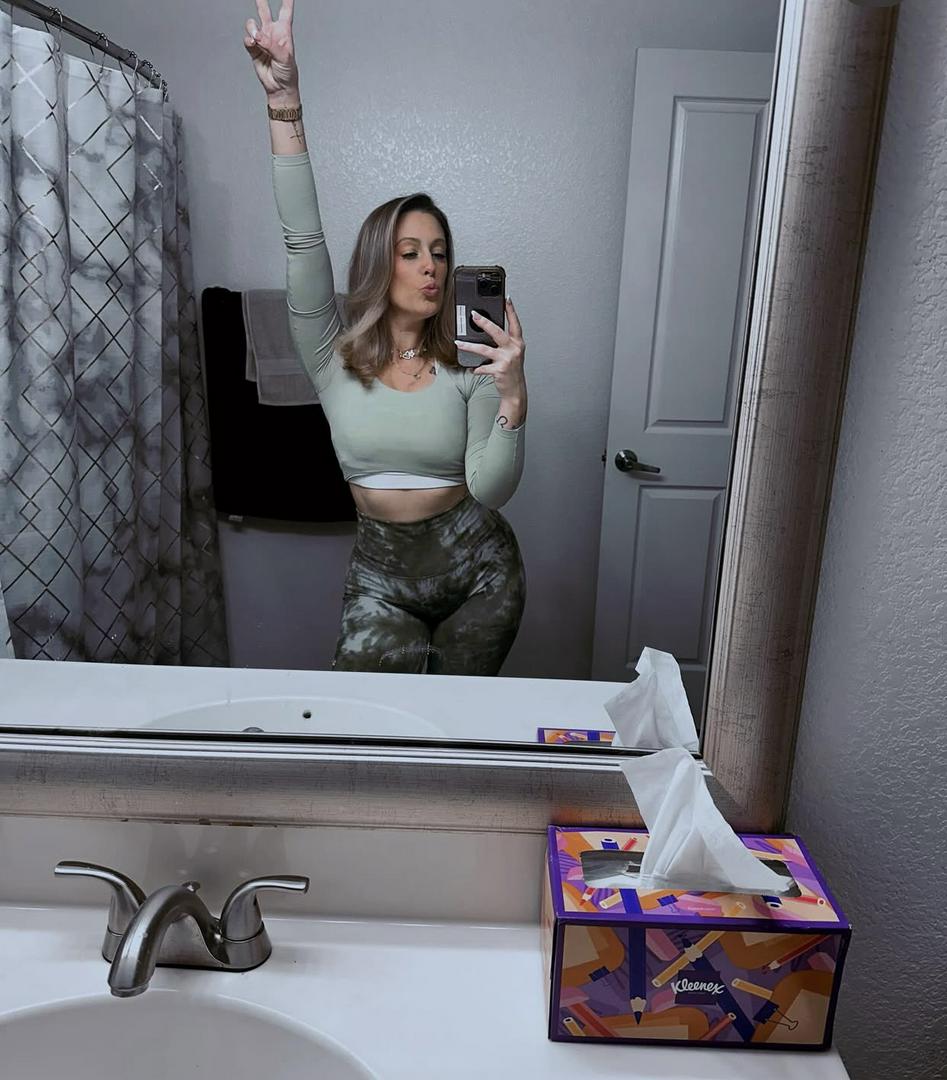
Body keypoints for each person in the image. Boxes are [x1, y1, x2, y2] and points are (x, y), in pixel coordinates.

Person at [244, 0, 528, 675]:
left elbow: (490, 490)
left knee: (455, 723)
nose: (431, 267)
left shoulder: (469, 363)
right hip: (380, 578)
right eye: (410, 252)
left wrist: (513, 396)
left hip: (482, 574)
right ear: (380, 261)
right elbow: (301, 239)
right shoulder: (331, 356)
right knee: (365, 719)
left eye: (439, 252)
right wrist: (283, 101)